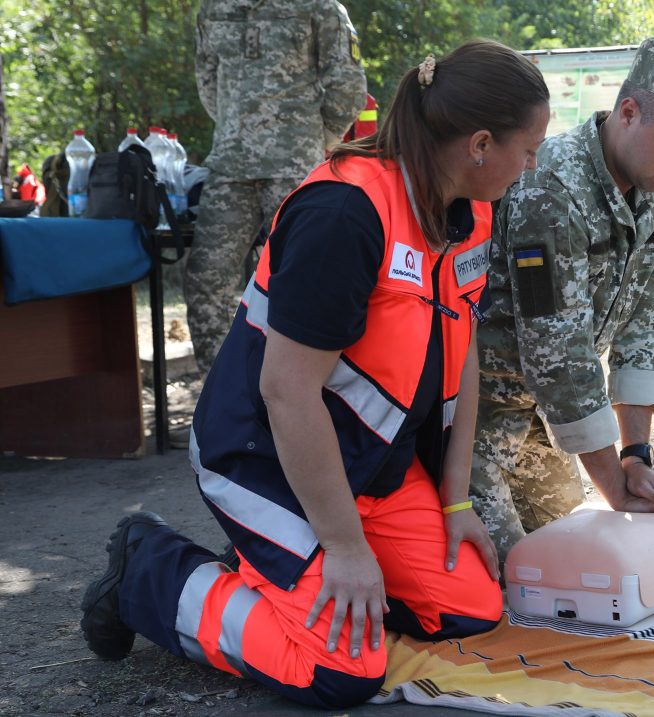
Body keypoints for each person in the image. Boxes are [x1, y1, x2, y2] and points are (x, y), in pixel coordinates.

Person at [80, 40, 550, 709]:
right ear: (479, 144)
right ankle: (148, 572)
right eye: (528, 149)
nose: (530, 166)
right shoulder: (343, 214)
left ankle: (285, 567)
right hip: (263, 459)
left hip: (370, 471)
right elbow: (285, 390)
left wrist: (455, 499)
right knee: (342, 670)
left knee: (472, 609)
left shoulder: (470, 210)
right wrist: (343, 544)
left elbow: (461, 342)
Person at [470, 37, 654, 565]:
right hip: (476, 420)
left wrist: (636, 457)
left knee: (578, 560)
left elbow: (645, 325)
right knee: (516, 580)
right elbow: (559, 355)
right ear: (628, 112)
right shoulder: (549, 186)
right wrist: (615, 487)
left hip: (543, 425)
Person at [186, 0, 367, 375]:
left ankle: (295, 387)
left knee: (303, 282)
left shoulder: (319, 7)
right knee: (206, 282)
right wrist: (241, 132)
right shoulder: (213, 8)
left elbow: (347, 85)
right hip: (229, 168)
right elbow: (207, 80)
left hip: (294, 170)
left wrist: (312, 145)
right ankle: (222, 392)